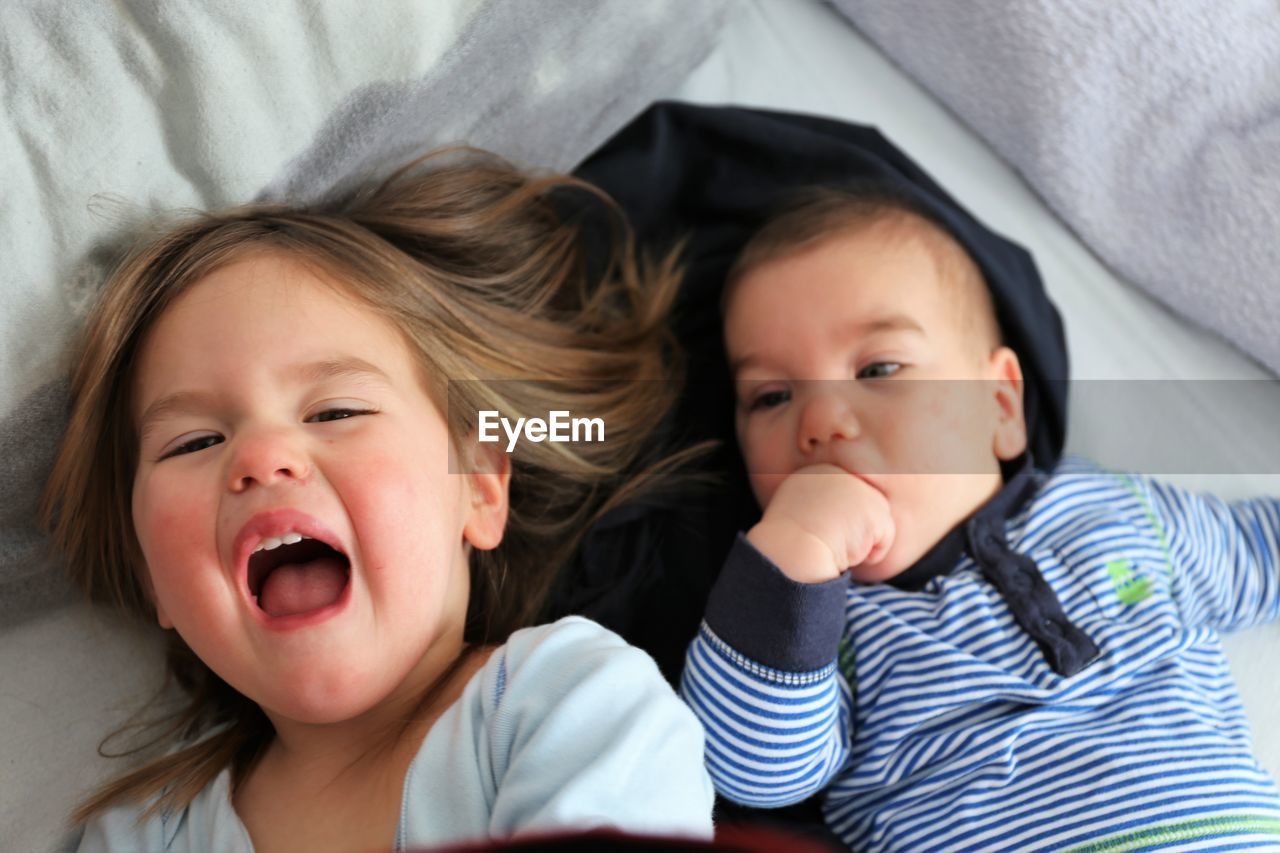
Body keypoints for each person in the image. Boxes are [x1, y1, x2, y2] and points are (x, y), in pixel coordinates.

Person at [40, 149, 715, 852]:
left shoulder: (569, 702)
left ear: (478, 486)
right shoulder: (140, 833)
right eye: (194, 442)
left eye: (335, 411)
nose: (260, 457)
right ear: (154, 578)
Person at [679, 185, 1280, 852]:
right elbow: (745, 770)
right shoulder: (823, 632)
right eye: (772, 396)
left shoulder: (1120, 510)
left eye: (878, 367)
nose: (818, 422)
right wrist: (795, 550)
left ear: (1000, 405)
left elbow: (1264, 550)